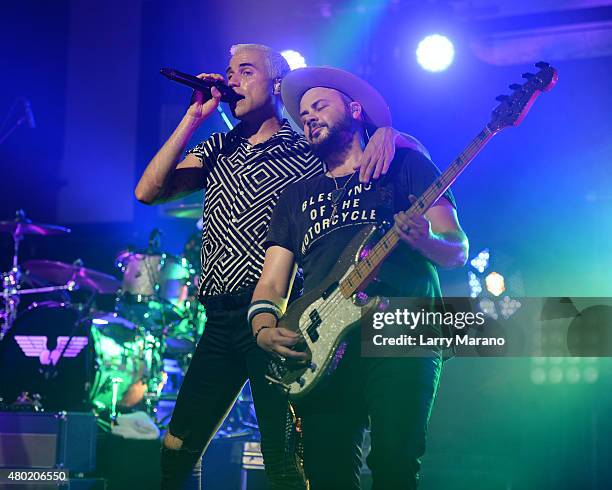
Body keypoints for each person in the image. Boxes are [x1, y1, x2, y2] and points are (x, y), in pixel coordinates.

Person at [135, 44, 429, 490]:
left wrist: (390, 131)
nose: (231, 79)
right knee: (177, 444)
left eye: (245, 71)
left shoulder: (304, 145)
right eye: (229, 71)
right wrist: (195, 115)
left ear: (276, 84)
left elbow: (357, 146)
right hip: (219, 317)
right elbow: (148, 191)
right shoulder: (219, 145)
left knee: (287, 454)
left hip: (281, 315)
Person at [250, 66, 469, 489]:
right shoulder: (296, 196)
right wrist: (262, 327)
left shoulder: (406, 165)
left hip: (404, 325)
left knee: (394, 462)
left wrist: (426, 241)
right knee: (327, 471)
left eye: (320, 106)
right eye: (303, 112)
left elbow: (457, 249)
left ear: (354, 109)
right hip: (319, 341)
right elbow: (273, 283)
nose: (309, 115)